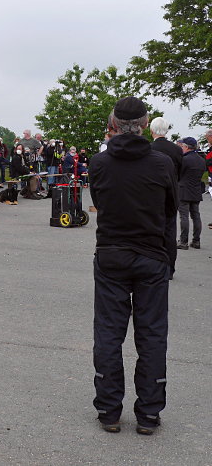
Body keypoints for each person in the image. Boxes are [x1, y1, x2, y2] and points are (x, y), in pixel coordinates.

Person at [89, 96, 177, 436]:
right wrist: (169, 257)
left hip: (112, 251)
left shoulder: (100, 163)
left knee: (109, 332)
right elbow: (169, 212)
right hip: (151, 254)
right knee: (152, 333)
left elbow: (100, 201)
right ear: (144, 124)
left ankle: (110, 410)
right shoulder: (161, 164)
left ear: (114, 124)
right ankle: (149, 413)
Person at [177, 137, 205, 250]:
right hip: (196, 190)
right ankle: (196, 241)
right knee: (196, 216)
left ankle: (183, 242)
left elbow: (179, 174)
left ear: (187, 147)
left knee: (184, 216)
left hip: (184, 190)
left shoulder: (183, 160)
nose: (182, 148)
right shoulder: (201, 160)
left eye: (183, 146)